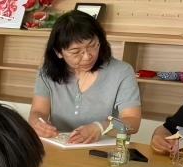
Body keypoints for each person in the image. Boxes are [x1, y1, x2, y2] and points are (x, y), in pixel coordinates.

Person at [28, 11, 141, 143]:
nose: (87, 56)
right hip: (60, 146)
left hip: (104, 149)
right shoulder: (47, 72)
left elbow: (133, 122)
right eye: (76, 52)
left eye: (92, 46)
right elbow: (38, 111)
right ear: (58, 52)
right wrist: (37, 123)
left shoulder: (121, 72)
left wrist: (101, 127)